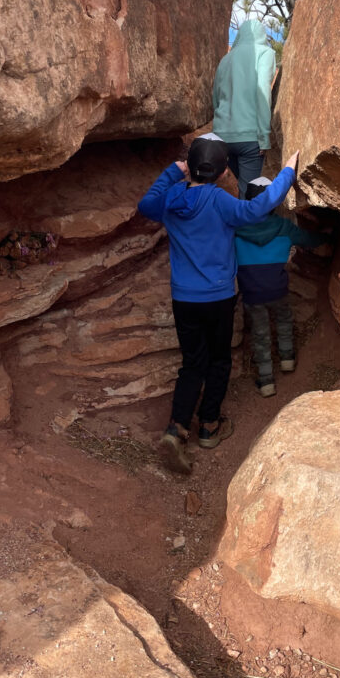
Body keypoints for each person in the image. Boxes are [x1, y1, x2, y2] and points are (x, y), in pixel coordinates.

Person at [138, 134, 300, 473]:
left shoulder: (171, 200)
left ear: (190, 168)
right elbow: (258, 207)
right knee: (219, 361)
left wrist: (172, 173)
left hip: (184, 297)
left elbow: (145, 205)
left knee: (192, 364)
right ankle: (209, 425)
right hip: (219, 298)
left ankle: (176, 428)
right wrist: (287, 172)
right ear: (225, 171)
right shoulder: (221, 202)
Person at [235, 176, 329, 397]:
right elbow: (308, 239)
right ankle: (287, 360)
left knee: (260, 333)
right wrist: (324, 237)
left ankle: (266, 380)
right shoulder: (284, 227)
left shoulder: (236, 229)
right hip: (277, 288)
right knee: (284, 321)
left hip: (251, 291)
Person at [212, 19, 276, 196]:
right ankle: (246, 223)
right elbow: (263, 90)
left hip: (222, 136)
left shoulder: (225, 59)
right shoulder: (265, 53)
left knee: (241, 184)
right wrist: (264, 135)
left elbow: (216, 96)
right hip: (249, 137)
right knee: (248, 193)